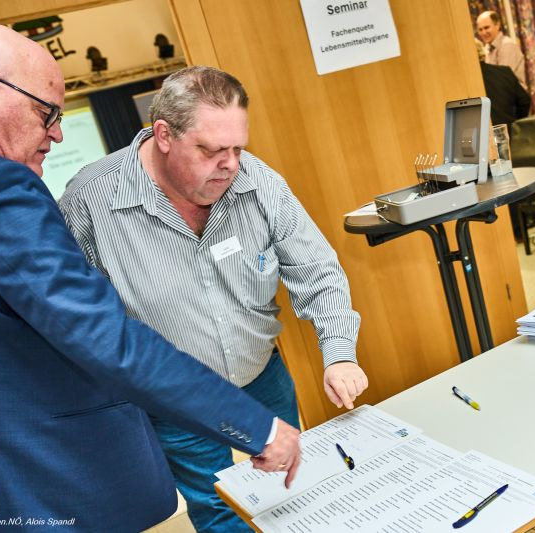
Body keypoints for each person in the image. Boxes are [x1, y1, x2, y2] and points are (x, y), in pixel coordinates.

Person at [0, 25, 301, 531]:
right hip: (37, 482)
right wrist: (256, 426)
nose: (57, 133)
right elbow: (105, 337)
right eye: (46, 113)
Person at [59, 66, 368, 532]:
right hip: (175, 397)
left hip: (260, 374)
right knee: (221, 509)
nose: (230, 165)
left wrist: (339, 353)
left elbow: (317, 271)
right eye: (211, 150)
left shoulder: (258, 182)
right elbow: (73, 318)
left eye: (237, 148)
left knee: (288, 491)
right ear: (164, 135)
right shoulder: (90, 201)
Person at [476, 39, 531, 129]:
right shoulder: (504, 71)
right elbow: (525, 101)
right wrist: (515, 123)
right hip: (511, 131)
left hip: (485, 134)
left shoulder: (469, 83)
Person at [477, 10, 527, 89]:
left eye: (486, 27)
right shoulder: (487, 48)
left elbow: (504, 80)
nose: (483, 32)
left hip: (511, 95)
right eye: (480, 29)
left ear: (497, 25)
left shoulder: (506, 45)